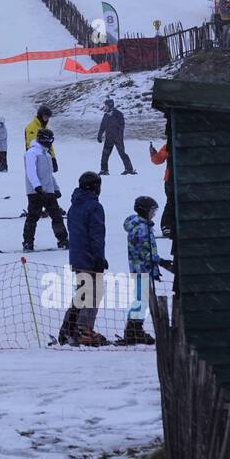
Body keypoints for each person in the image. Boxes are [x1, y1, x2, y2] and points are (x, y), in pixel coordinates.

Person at [57, 172, 109, 345]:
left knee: (82, 292)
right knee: (92, 292)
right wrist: (98, 257)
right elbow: (96, 234)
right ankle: (83, 328)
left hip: (77, 255)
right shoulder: (94, 207)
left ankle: (68, 328)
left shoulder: (74, 206)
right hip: (89, 256)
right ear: (95, 187)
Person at [122, 195, 171, 345]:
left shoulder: (141, 225)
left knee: (142, 298)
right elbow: (145, 251)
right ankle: (133, 330)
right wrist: (160, 262)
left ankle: (134, 328)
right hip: (142, 268)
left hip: (141, 268)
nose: (154, 214)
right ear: (144, 211)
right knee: (141, 299)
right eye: (152, 211)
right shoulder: (142, 228)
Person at [23, 127, 67, 251]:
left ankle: (63, 240)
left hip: (49, 191)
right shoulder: (31, 153)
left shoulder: (46, 154)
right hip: (35, 192)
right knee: (33, 217)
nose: (51, 143)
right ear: (44, 139)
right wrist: (37, 186)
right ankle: (28, 242)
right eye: (50, 140)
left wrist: (56, 188)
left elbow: (49, 174)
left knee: (56, 216)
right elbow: (31, 172)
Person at [98, 98, 136, 175]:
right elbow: (102, 126)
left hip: (118, 138)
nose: (104, 107)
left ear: (110, 106)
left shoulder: (118, 114)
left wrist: (118, 136)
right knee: (105, 155)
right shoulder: (105, 115)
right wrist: (99, 135)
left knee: (122, 154)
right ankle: (104, 170)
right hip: (109, 138)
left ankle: (129, 169)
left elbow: (122, 126)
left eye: (106, 106)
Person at [148, 130, 175, 237]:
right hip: (170, 180)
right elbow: (158, 160)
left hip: (178, 179)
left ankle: (171, 225)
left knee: (174, 202)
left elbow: (157, 160)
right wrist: (153, 153)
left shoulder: (169, 146)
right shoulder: (167, 146)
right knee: (171, 202)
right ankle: (166, 226)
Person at [24, 104, 58, 173]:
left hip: (44, 157)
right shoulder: (31, 127)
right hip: (36, 158)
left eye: (48, 117)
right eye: (45, 117)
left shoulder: (44, 128)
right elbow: (32, 145)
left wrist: (53, 157)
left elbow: (49, 144)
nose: (47, 119)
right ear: (40, 116)